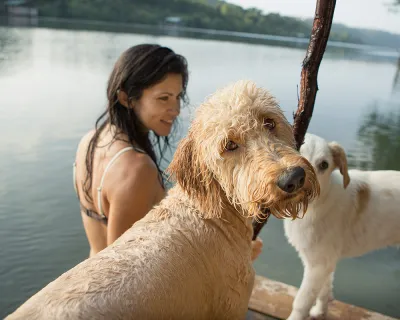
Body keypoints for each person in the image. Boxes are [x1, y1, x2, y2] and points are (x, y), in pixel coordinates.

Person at [73, 43, 263, 260]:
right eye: (163, 98)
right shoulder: (136, 168)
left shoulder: (90, 139)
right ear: (126, 99)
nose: (176, 110)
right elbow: (121, 265)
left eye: (178, 97)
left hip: (90, 267)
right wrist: (236, 254)